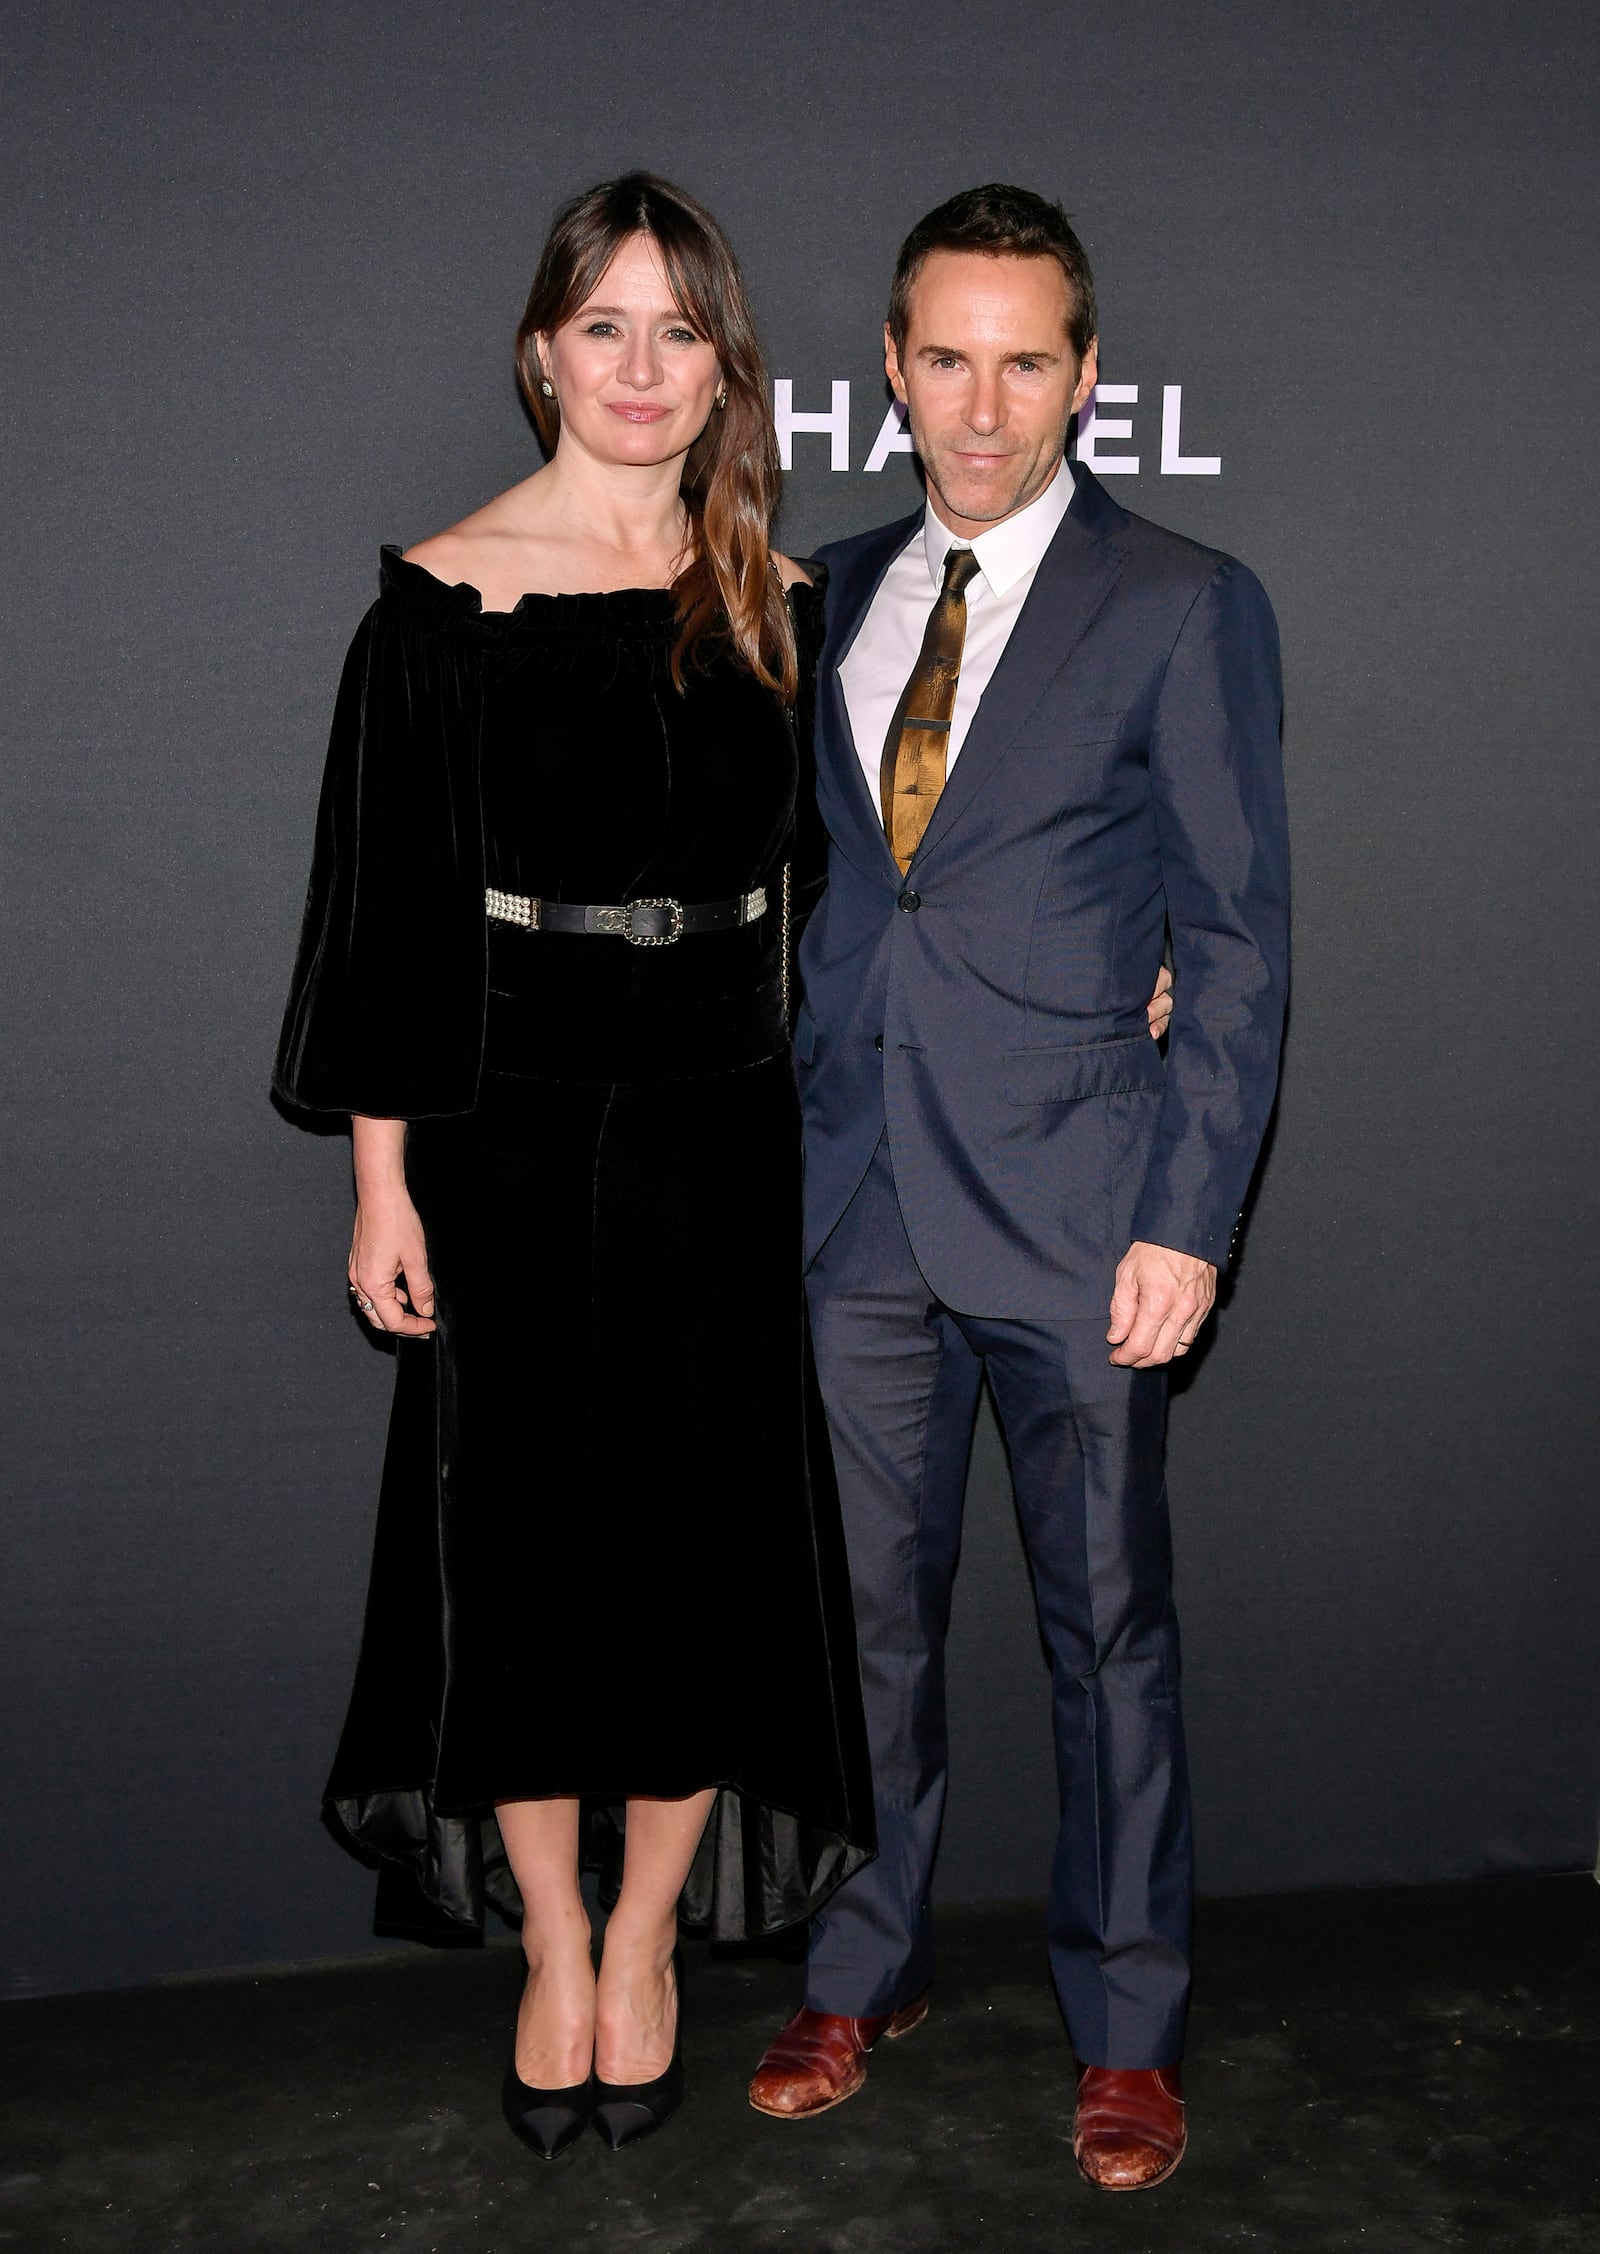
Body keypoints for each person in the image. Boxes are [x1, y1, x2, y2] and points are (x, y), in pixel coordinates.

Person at [272, 172, 883, 2159]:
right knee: (522, 1554)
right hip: (507, 1117)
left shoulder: (777, 603)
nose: (637, 366)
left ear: (722, 369)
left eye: (675, 330)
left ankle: (642, 1938)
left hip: (722, 1114)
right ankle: (549, 1939)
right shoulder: (439, 598)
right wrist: (382, 1185)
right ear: (539, 347)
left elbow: (855, 889)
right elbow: (381, 925)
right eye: (601, 325)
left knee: (707, 1546)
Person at [748, 185, 1289, 2194]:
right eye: (944, 358)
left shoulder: (1179, 598)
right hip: (851, 1205)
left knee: (1104, 1624)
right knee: (863, 1623)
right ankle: (862, 1953)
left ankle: (1127, 2013)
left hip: (1080, 1208)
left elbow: (1229, 938)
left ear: (1084, 374)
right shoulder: (818, 594)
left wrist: (1187, 1209)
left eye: (1026, 360)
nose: (983, 405)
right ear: (889, 368)